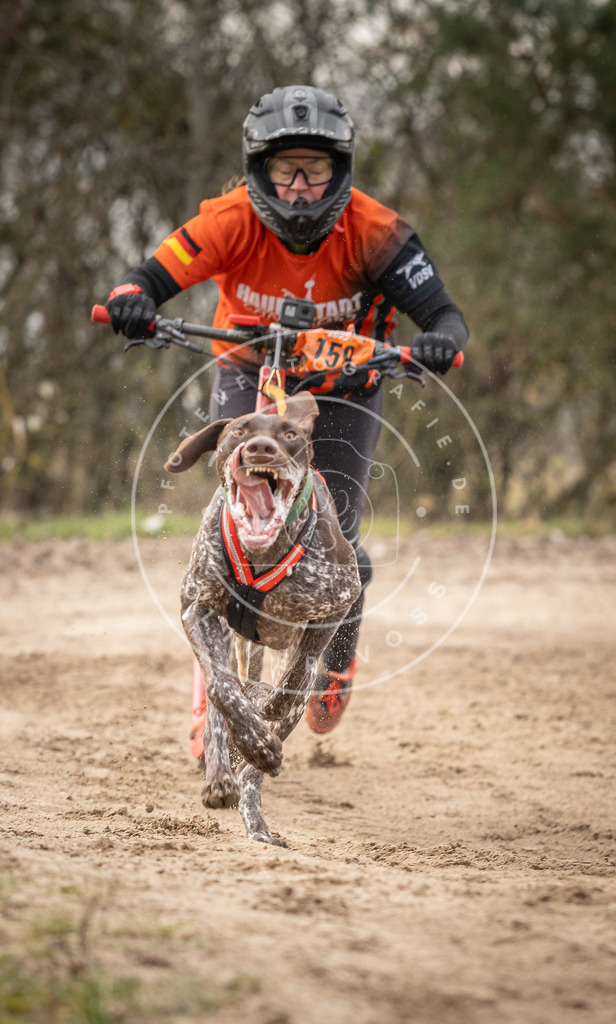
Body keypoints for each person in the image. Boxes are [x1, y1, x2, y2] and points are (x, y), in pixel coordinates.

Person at [105, 84, 469, 739]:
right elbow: (149, 278)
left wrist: (439, 341)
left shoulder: (376, 231)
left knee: (342, 533)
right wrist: (132, 298)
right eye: (285, 169)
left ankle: (335, 658)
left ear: (340, 169)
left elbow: (443, 312)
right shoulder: (227, 221)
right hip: (250, 371)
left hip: (346, 385)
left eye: (316, 169)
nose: (300, 186)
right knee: (231, 516)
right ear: (259, 171)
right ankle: (214, 688)